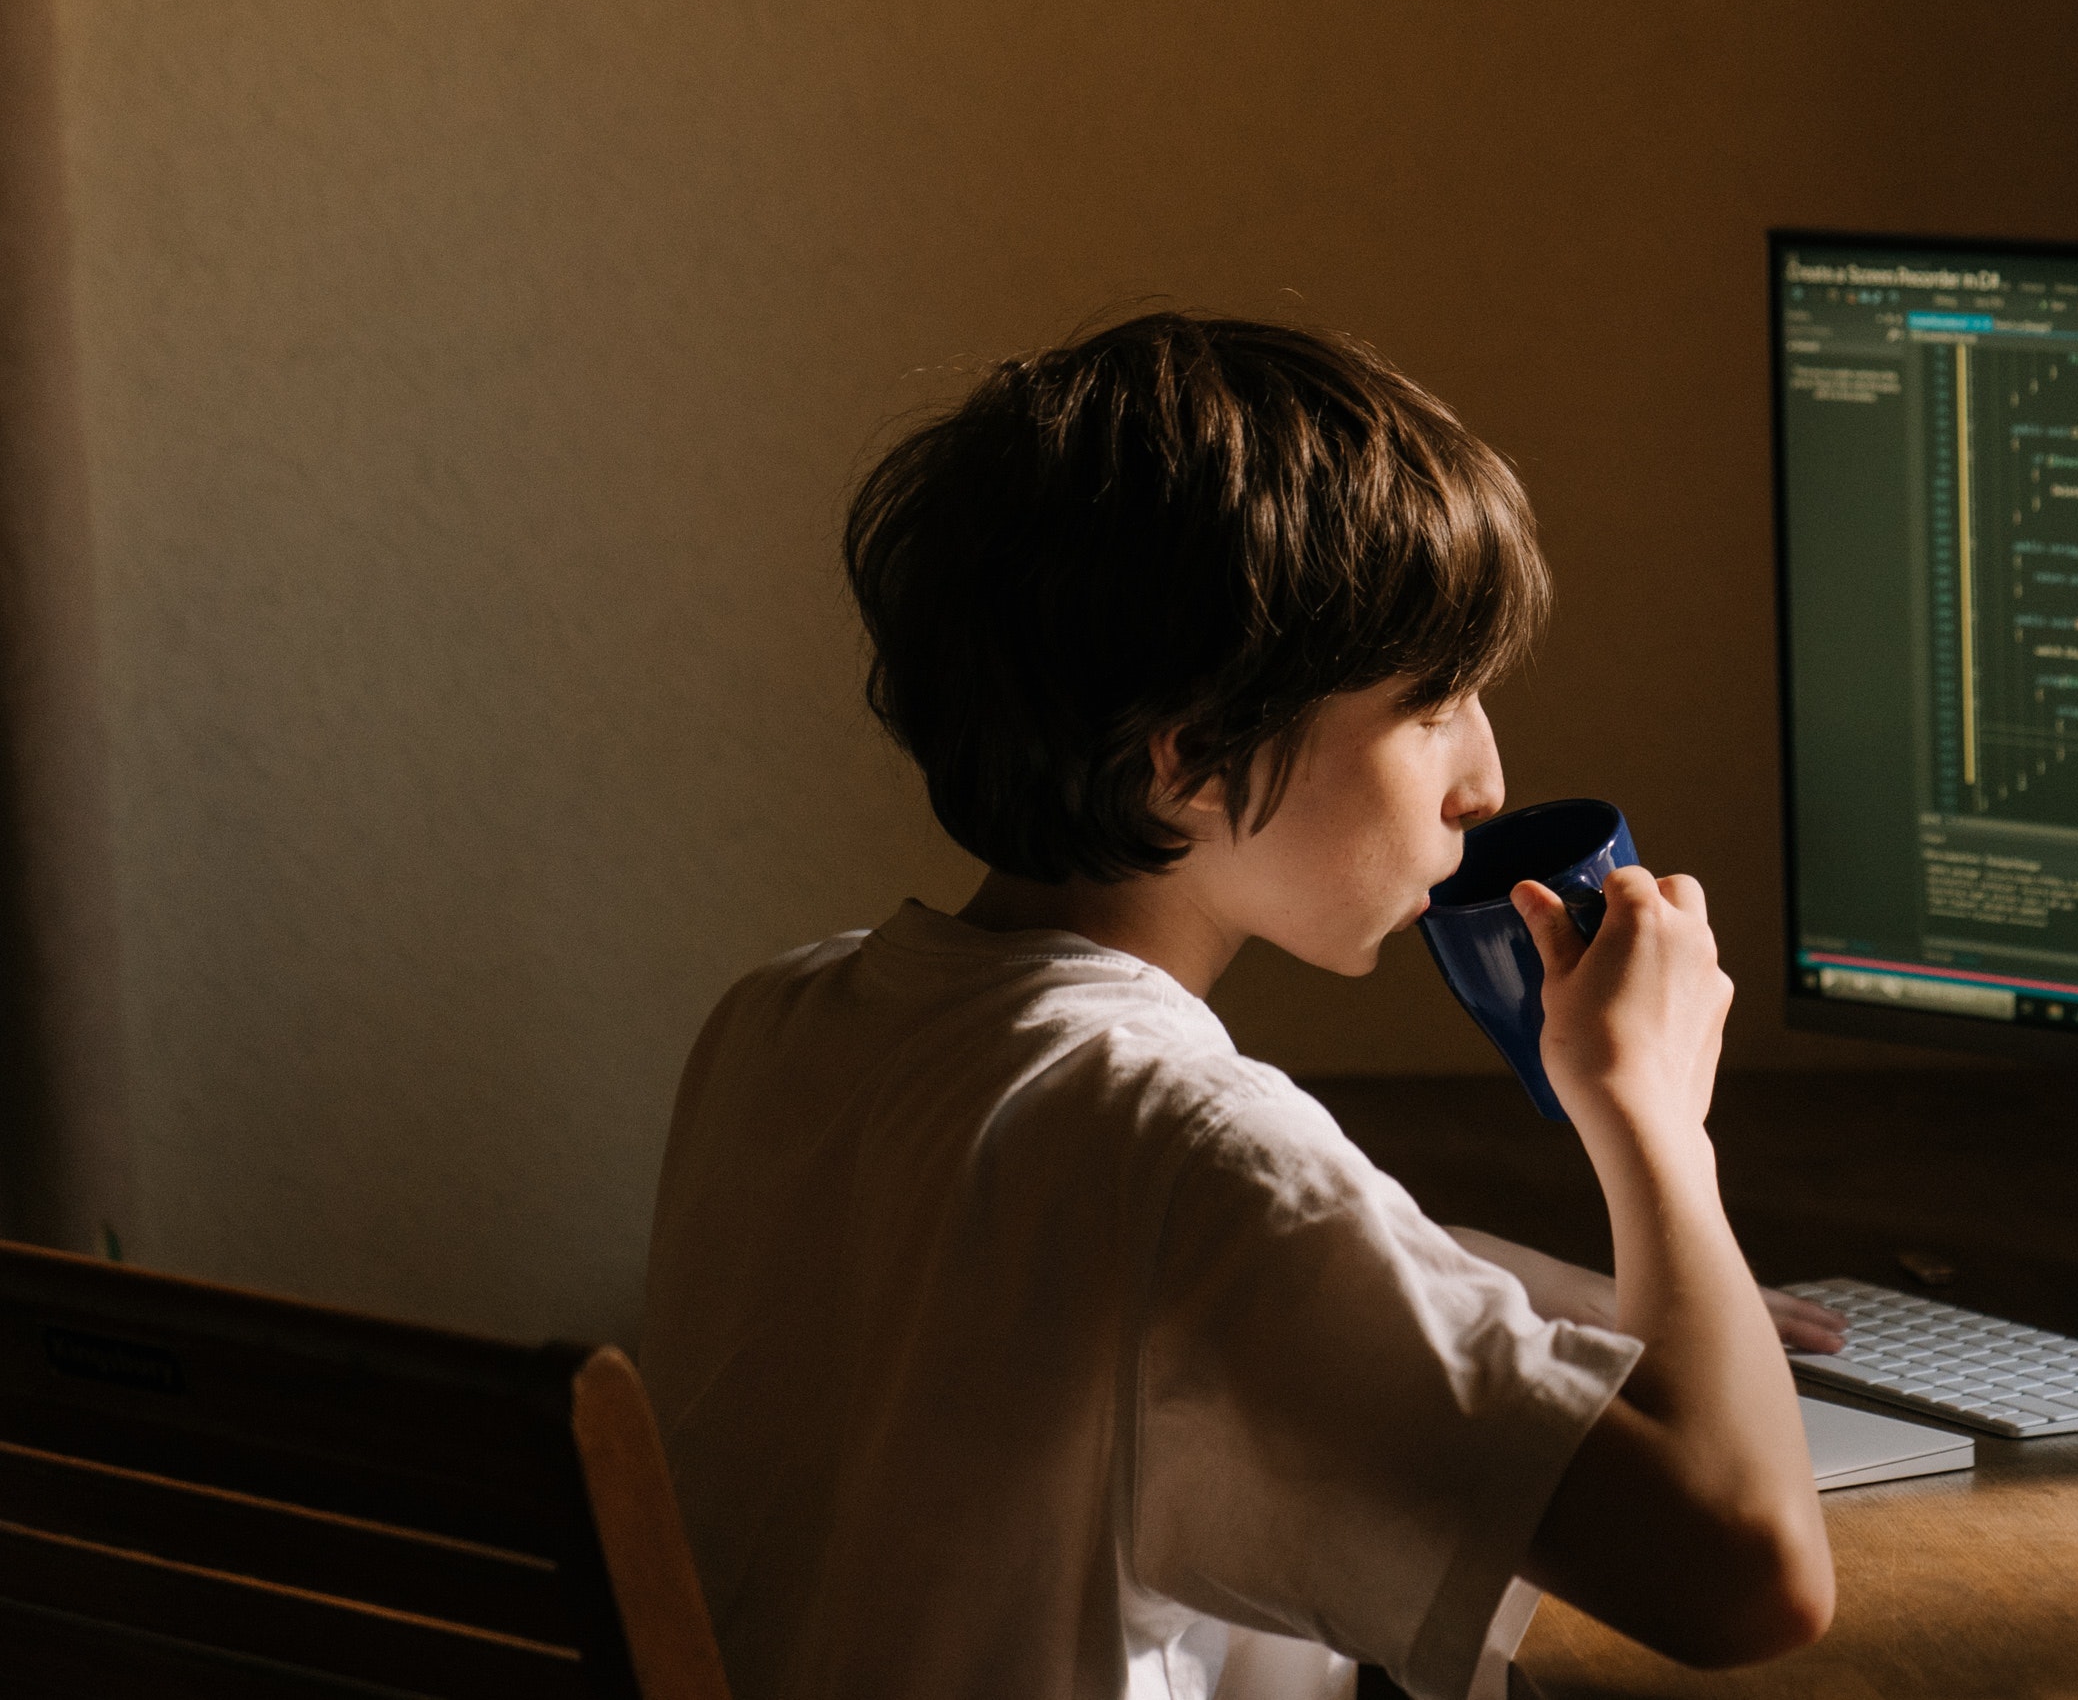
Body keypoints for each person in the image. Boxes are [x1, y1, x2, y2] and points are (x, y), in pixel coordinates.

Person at [641, 311, 1837, 1700]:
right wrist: (1656, 1125)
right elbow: (1752, 1573)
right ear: (1194, 760)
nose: (1487, 779)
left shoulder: (780, 1021)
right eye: (1435, 699)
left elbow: (1064, 1269)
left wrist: (1499, 1279)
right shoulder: (1190, 1153)